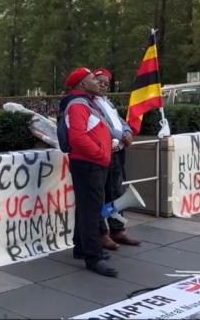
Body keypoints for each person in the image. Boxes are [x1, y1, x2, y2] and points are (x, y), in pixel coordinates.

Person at [59, 67, 118, 277]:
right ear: (83, 84)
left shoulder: (85, 102)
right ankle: (94, 257)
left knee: (86, 209)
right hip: (90, 164)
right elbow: (78, 138)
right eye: (93, 78)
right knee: (91, 212)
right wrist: (102, 155)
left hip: (90, 163)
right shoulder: (78, 105)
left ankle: (81, 248)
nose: (97, 81)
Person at [93, 68, 141, 247]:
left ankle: (118, 230)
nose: (103, 85)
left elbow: (119, 120)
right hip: (105, 152)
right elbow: (103, 124)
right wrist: (122, 135)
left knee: (117, 191)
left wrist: (127, 130)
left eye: (106, 83)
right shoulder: (90, 102)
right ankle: (101, 233)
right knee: (102, 193)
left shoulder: (107, 102)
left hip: (118, 152)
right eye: (99, 82)